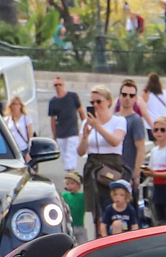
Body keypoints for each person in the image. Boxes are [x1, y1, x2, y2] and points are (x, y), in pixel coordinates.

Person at [80, 88, 128, 229]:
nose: (95, 105)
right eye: (92, 102)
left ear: (108, 102)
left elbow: (115, 141)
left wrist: (97, 126)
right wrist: (85, 136)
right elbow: (80, 150)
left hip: (111, 165)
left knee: (112, 206)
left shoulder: (119, 121)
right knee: (94, 209)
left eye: (99, 101)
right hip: (92, 164)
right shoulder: (86, 122)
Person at [47, 76, 83, 173]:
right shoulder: (53, 102)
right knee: (64, 156)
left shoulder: (72, 96)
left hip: (73, 131)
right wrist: (54, 135)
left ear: (64, 85)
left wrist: (85, 124)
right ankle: (70, 172)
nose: (58, 87)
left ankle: (71, 174)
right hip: (61, 132)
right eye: (56, 85)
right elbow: (52, 119)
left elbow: (80, 111)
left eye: (60, 84)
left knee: (71, 154)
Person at [60, 170, 88, 236]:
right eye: (67, 184)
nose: (69, 186)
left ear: (79, 185)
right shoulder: (64, 195)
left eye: (72, 183)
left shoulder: (83, 196)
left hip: (80, 226)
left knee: (83, 244)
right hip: (68, 226)